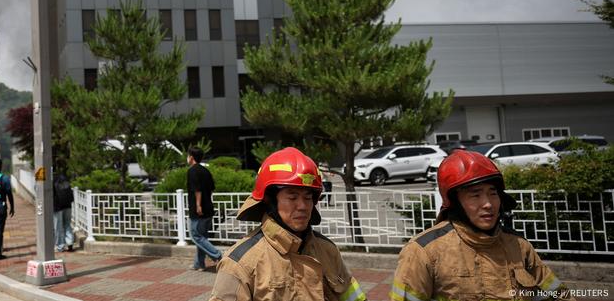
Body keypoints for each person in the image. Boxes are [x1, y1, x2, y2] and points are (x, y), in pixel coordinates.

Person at [391, 150, 572, 301]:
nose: (488, 204)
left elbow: (558, 295)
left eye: (493, 193)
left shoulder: (519, 246)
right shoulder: (423, 252)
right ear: (455, 203)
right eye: (475, 195)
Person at [209, 147, 367, 301]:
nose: (303, 206)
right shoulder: (240, 263)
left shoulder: (327, 250)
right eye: (292, 197)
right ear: (270, 201)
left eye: (307, 197)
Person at [187, 147, 223, 271]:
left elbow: (197, 190)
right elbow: (211, 188)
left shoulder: (192, 171)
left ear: (191, 157)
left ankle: (217, 255)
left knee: (196, 236)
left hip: (199, 210)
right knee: (202, 237)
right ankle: (199, 264)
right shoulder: (205, 171)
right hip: (208, 208)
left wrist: (198, 205)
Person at [52, 170, 75, 252]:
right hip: (68, 205)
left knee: (58, 227)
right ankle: (70, 243)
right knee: (67, 224)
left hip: (57, 206)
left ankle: (60, 246)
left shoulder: (51, 180)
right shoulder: (65, 178)